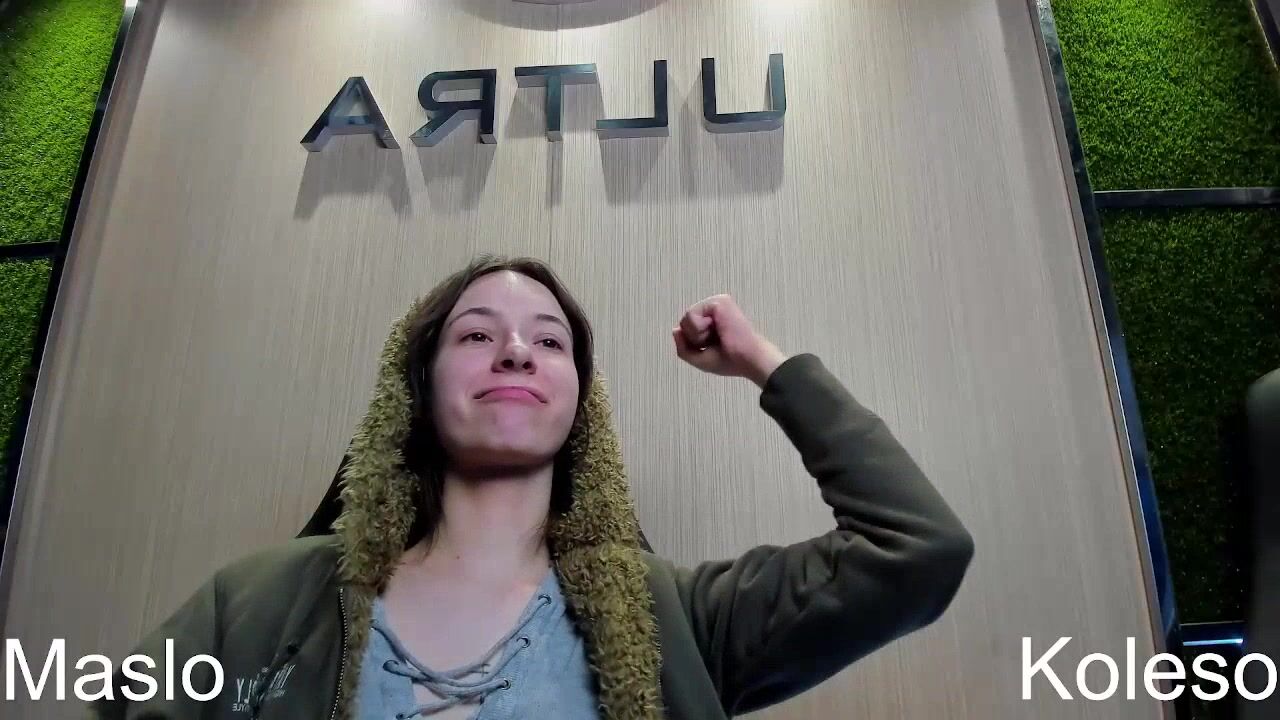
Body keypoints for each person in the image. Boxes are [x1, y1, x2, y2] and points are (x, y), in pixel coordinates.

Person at [90, 255, 973, 720]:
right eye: (477, 335)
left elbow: (918, 551)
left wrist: (765, 364)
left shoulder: (680, 622)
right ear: (415, 388)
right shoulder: (254, 604)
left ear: (580, 404)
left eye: (549, 341)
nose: (516, 351)